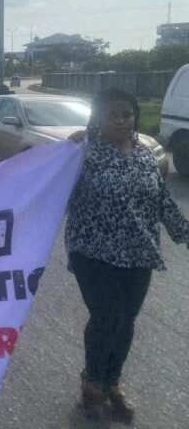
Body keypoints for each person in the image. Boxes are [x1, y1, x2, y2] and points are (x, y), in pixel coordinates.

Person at [66, 88, 189, 422]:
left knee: (125, 323)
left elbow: (162, 200)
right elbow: (46, 184)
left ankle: (113, 384)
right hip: (93, 253)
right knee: (106, 319)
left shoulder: (145, 154)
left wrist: (185, 234)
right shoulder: (81, 153)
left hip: (139, 252)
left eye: (127, 114)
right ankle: (92, 385)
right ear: (98, 118)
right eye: (113, 114)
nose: (121, 121)